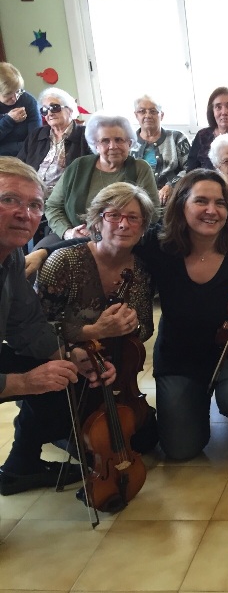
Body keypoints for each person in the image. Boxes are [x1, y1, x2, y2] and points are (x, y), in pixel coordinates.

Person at [30, 170, 228, 460]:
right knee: (180, 449)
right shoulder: (159, 245)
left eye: (220, 202)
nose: (212, 210)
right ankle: (193, 402)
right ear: (181, 205)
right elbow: (104, 242)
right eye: (201, 201)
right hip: (179, 358)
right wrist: (43, 253)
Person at [0, 157, 114, 496]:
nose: (25, 213)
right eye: (9, 200)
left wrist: (69, 355)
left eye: (35, 204)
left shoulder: (13, 256)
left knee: (65, 376)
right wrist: (20, 382)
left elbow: (28, 325)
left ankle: (22, 467)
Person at [35, 182, 157, 452]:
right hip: (66, 365)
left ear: (143, 226)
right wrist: (93, 331)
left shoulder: (142, 270)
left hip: (117, 372)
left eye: (133, 217)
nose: (123, 224)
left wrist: (131, 324)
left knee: (144, 440)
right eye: (113, 215)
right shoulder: (64, 261)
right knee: (91, 443)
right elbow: (38, 328)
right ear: (97, 221)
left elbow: (146, 327)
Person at [43, 113, 158, 243]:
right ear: (95, 145)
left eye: (119, 140)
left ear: (129, 143)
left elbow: (152, 213)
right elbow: (52, 206)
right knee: (37, 257)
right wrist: (68, 232)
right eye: (105, 141)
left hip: (122, 239)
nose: (113, 146)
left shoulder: (140, 168)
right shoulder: (78, 166)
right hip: (73, 236)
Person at [17, 87, 91, 196]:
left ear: (70, 110)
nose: (49, 113)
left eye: (54, 107)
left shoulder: (86, 135)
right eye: (44, 110)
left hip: (64, 197)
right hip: (31, 193)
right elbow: (19, 165)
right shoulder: (36, 135)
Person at [131, 95, 191, 206]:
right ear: (136, 115)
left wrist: (171, 185)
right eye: (142, 111)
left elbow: (191, 167)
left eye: (153, 111)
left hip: (172, 198)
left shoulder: (177, 138)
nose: (148, 115)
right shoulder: (128, 142)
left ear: (161, 115)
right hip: (137, 201)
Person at [0, 62, 41, 157]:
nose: (14, 98)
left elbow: (35, 140)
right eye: (8, 94)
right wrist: (9, 120)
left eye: (18, 91)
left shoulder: (28, 101)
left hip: (27, 156)